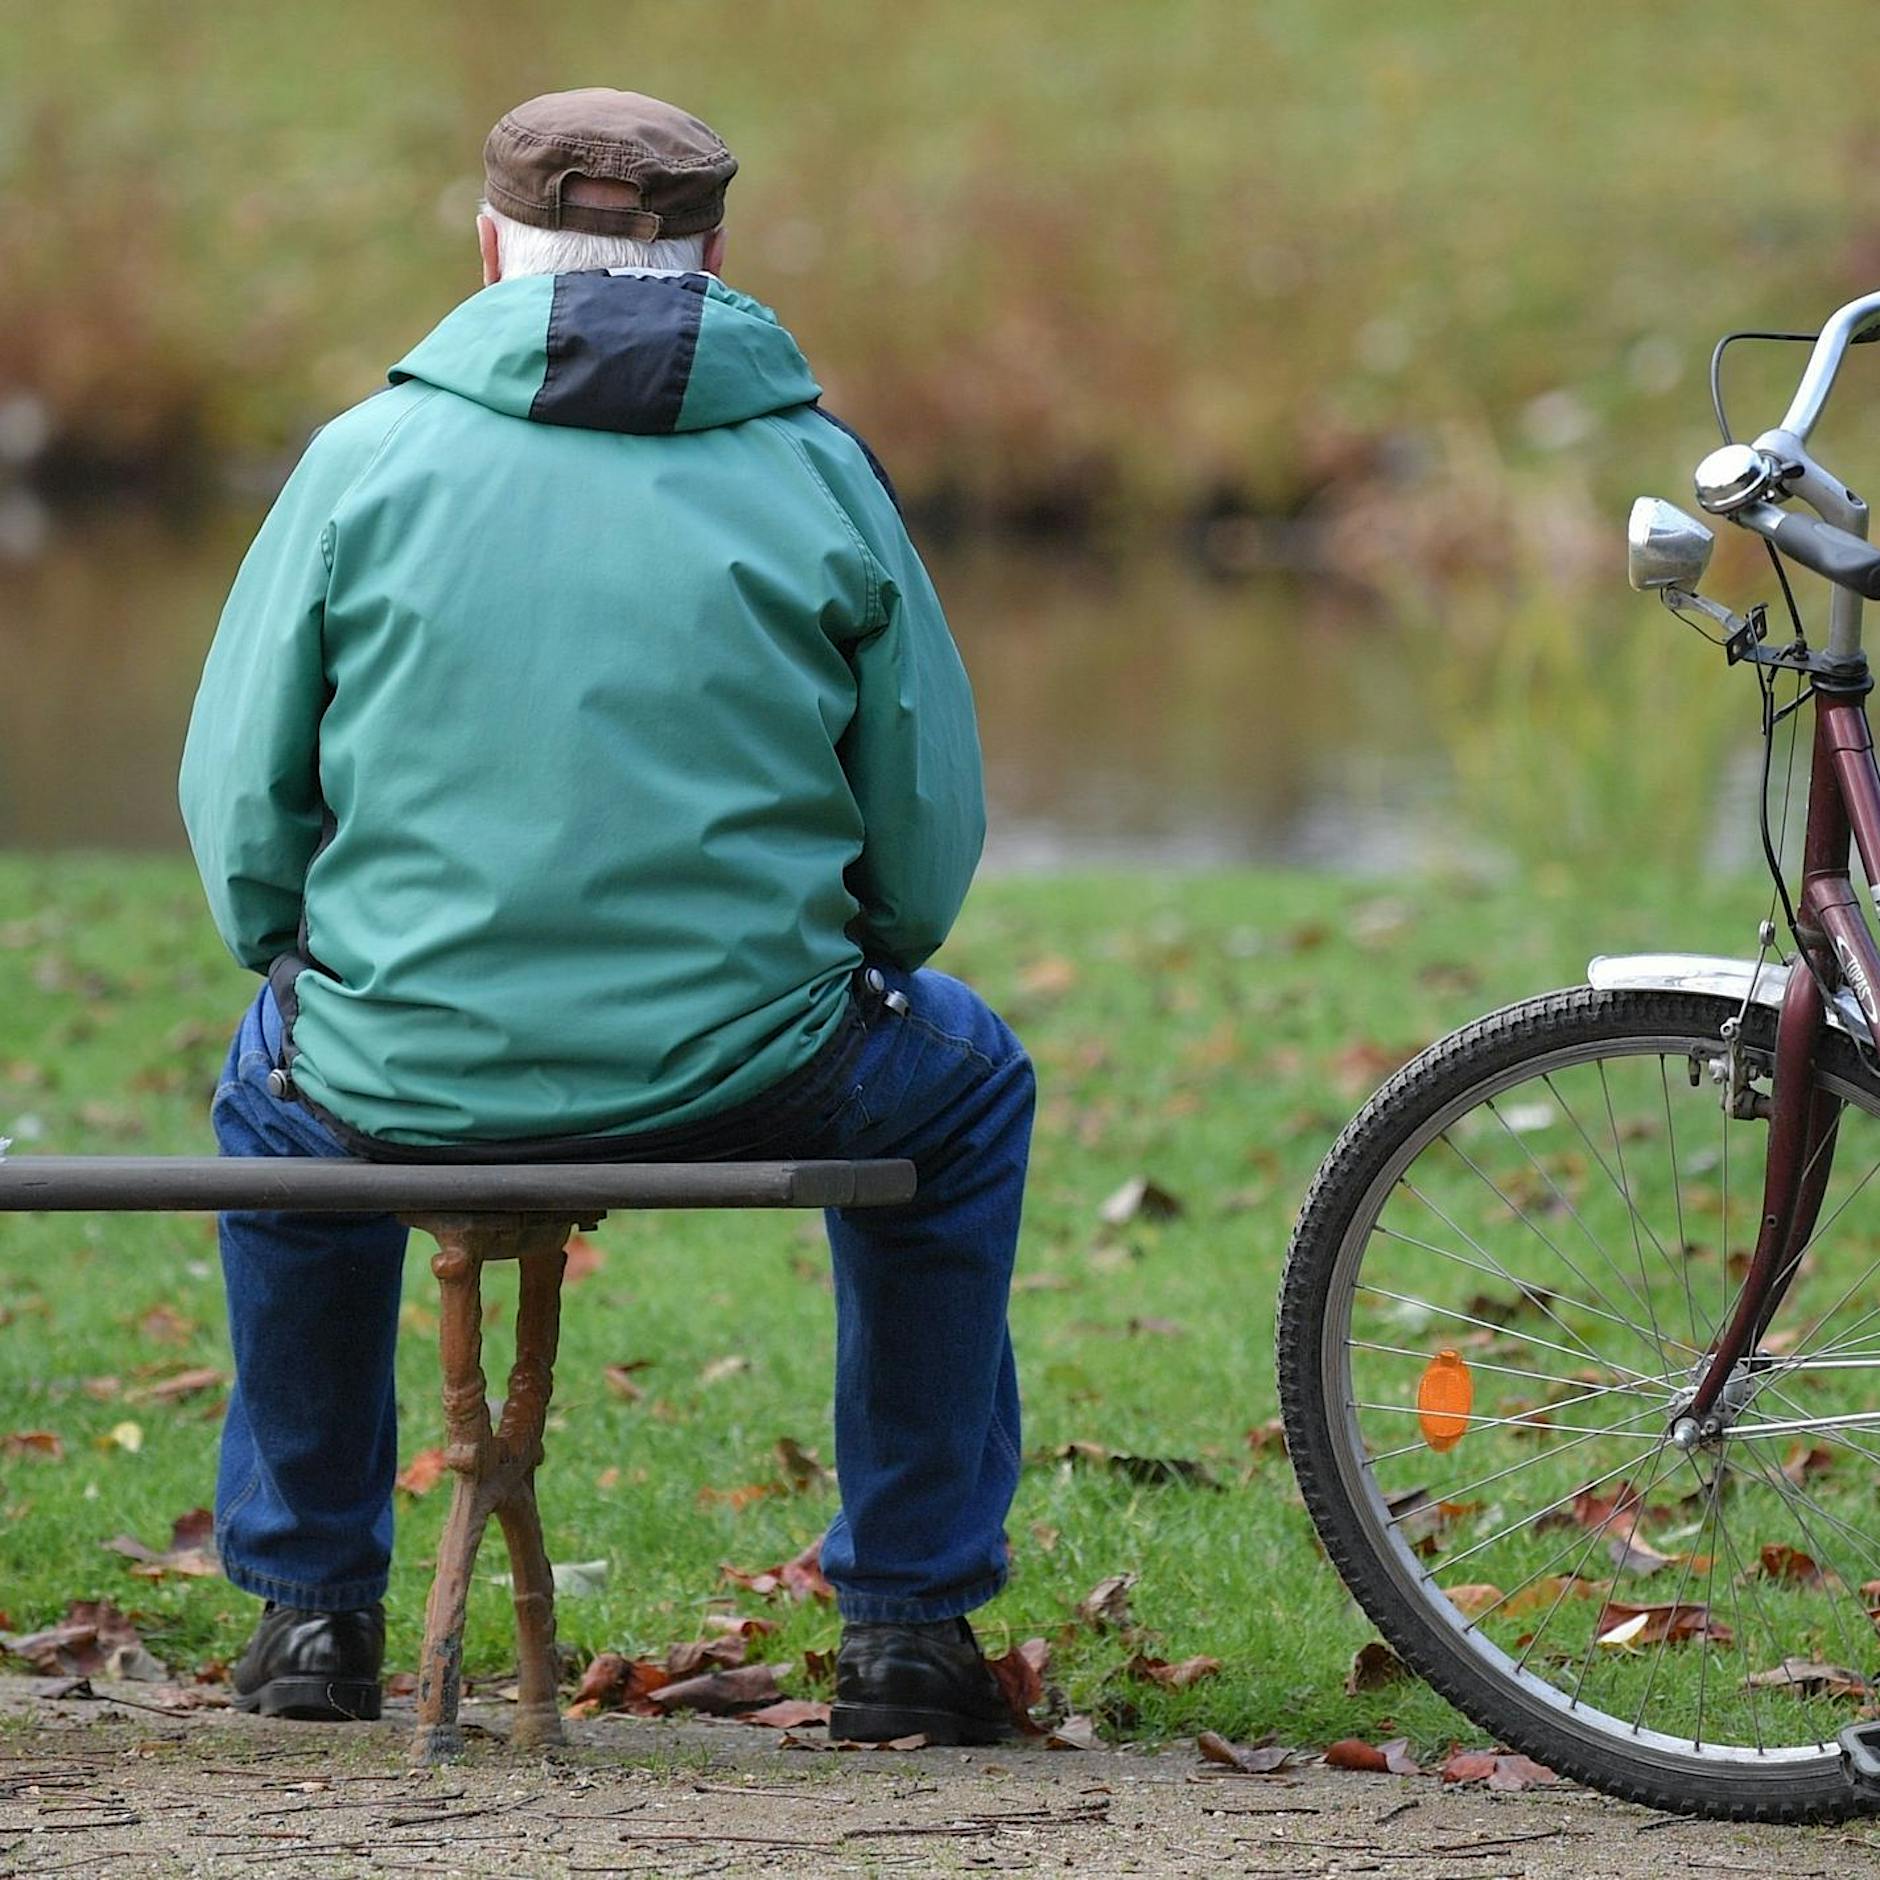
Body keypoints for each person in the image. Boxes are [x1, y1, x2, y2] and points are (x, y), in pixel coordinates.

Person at [179, 88, 1032, 1746]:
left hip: (396, 1055)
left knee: (274, 1086)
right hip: (758, 1066)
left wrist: (305, 959)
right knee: (968, 1078)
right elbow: (923, 853)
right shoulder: (819, 470)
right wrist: (839, 957)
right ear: (716, 259)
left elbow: (241, 822)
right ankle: (911, 1629)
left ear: (489, 247)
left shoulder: (363, 461)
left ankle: (309, 1610)